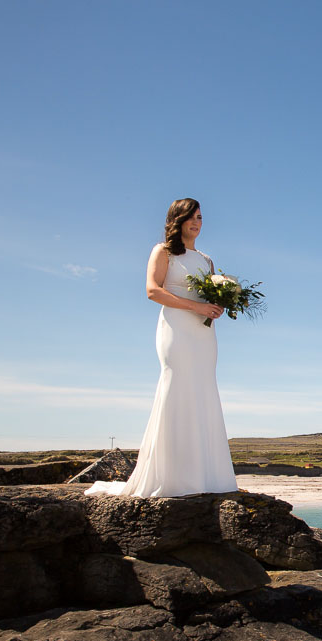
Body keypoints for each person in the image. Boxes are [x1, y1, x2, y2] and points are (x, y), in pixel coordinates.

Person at [86, 198, 239, 497]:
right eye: (190, 217)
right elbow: (152, 290)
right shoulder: (164, 251)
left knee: (204, 389)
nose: (196, 222)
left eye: (200, 217)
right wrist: (195, 305)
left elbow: (206, 297)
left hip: (203, 334)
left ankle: (207, 478)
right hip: (176, 329)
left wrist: (216, 306)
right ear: (177, 220)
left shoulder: (206, 260)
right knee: (176, 384)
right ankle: (172, 477)